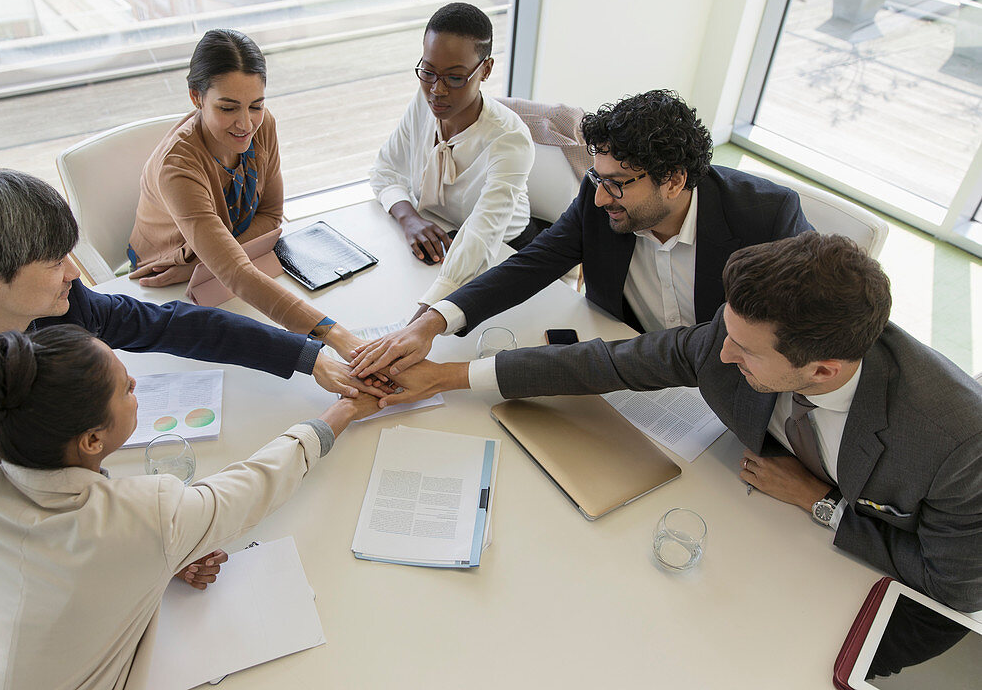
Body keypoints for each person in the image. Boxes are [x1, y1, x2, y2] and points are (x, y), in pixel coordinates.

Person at [375, 234, 982, 612]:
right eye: (727, 331)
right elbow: (612, 362)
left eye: (745, 353)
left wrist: (820, 504)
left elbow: (954, 585)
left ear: (822, 372)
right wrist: (449, 378)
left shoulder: (957, 441)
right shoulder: (740, 332)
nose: (720, 354)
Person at [0, 168, 375, 608]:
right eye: (55, 263)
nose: (74, 274)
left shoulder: (65, 303)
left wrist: (309, 358)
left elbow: (173, 325)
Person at [0, 325, 381, 688]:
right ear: (92, 439)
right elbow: (250, 488)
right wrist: (339, 414)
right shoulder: (144, 516)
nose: (136, 384)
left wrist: (159, 560)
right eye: (125, 388)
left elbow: (56, 575)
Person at [352, 89, 813, 378]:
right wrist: (431, 324)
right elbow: (530, 265)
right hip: (624, 370)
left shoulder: (767, 218)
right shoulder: (602, 203)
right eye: (597, 178)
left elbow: (802, 334)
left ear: (673, 180)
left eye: (617, 183)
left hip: (728, 382)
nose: (597, 198)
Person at [128, 28, 363, 357]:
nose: (246, 124)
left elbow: (270, 216)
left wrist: (208, 264)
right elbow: (236, 269)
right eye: (227, 108)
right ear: (196, 97)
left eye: (256, 105)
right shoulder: (177, 167)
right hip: (166, 280)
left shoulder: (264, 125)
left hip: (209, 272)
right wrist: (336, 334)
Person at [370, 1, 536, 316]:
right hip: (440, 236)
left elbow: (481, 238)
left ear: (485, 70)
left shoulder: (509, 139)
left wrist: (425, 315)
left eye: (455, 78)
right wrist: (410, 219)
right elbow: (385, 171)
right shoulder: (423, 103)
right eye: (427, 72)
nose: (437, 90)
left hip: (504, 252)